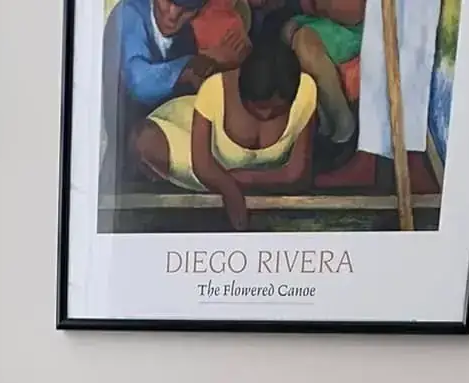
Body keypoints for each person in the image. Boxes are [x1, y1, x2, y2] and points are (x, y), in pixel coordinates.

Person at [136, 31, 315, 229]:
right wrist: (230, 189)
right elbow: (202, 165)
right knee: (145, 140)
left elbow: (296, 173)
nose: (266, 116)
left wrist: (243, 178)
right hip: (188, 132)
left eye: (278, 110)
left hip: (230, 169)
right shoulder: (215, 89)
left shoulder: (306, 91)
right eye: (258, 107)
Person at [103, 0, 250, 155]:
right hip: (127, 158)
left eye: (187, 8)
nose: (173, 15)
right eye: (167, 1)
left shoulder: (191, 31)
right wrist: (192, 64)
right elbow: (138, 81)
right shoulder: (129, 13)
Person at [282, 0, 365, 146]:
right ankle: (322, 116)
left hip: (356, 29)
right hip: (325, 20)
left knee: (305, 43)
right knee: (287, 32)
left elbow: (355, 13)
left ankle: (343, 122)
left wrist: (323, 6)